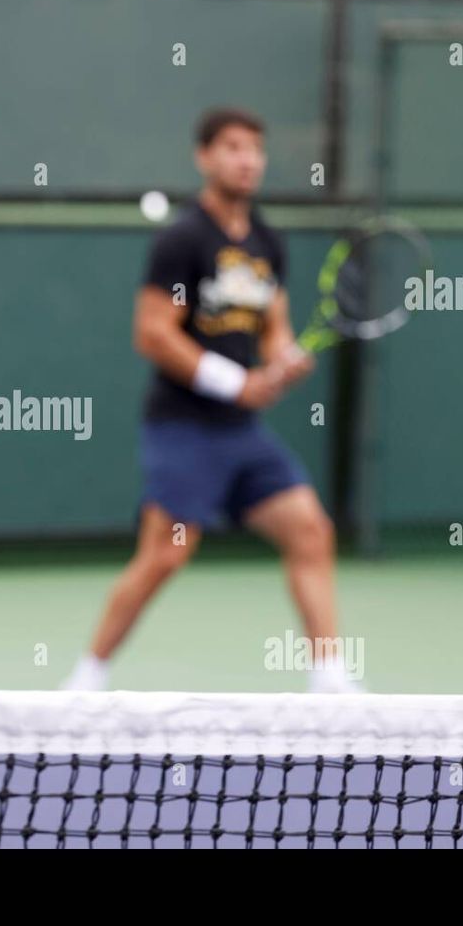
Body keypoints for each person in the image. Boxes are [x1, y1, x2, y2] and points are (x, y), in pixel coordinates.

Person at [61, 107, 359, 695]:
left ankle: (329, 680)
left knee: (310, 532)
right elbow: (152, 332)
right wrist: (235, 381)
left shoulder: (268, 243)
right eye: (231, 147)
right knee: (167, 555)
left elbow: (273, 327)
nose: (246, 160)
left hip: (242, 434)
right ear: (205, 157)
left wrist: (283, 359)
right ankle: (86, 679)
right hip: (183, 429)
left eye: (254, 149)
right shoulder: (183, 241)